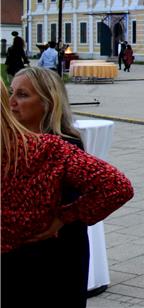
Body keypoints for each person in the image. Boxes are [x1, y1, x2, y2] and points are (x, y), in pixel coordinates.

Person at [1, 81, 134, 308]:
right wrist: (66, 216)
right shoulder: (47, 148)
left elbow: (116, 187)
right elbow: (116, 186)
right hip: (39, 264)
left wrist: (67, 216)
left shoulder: (48, 148)